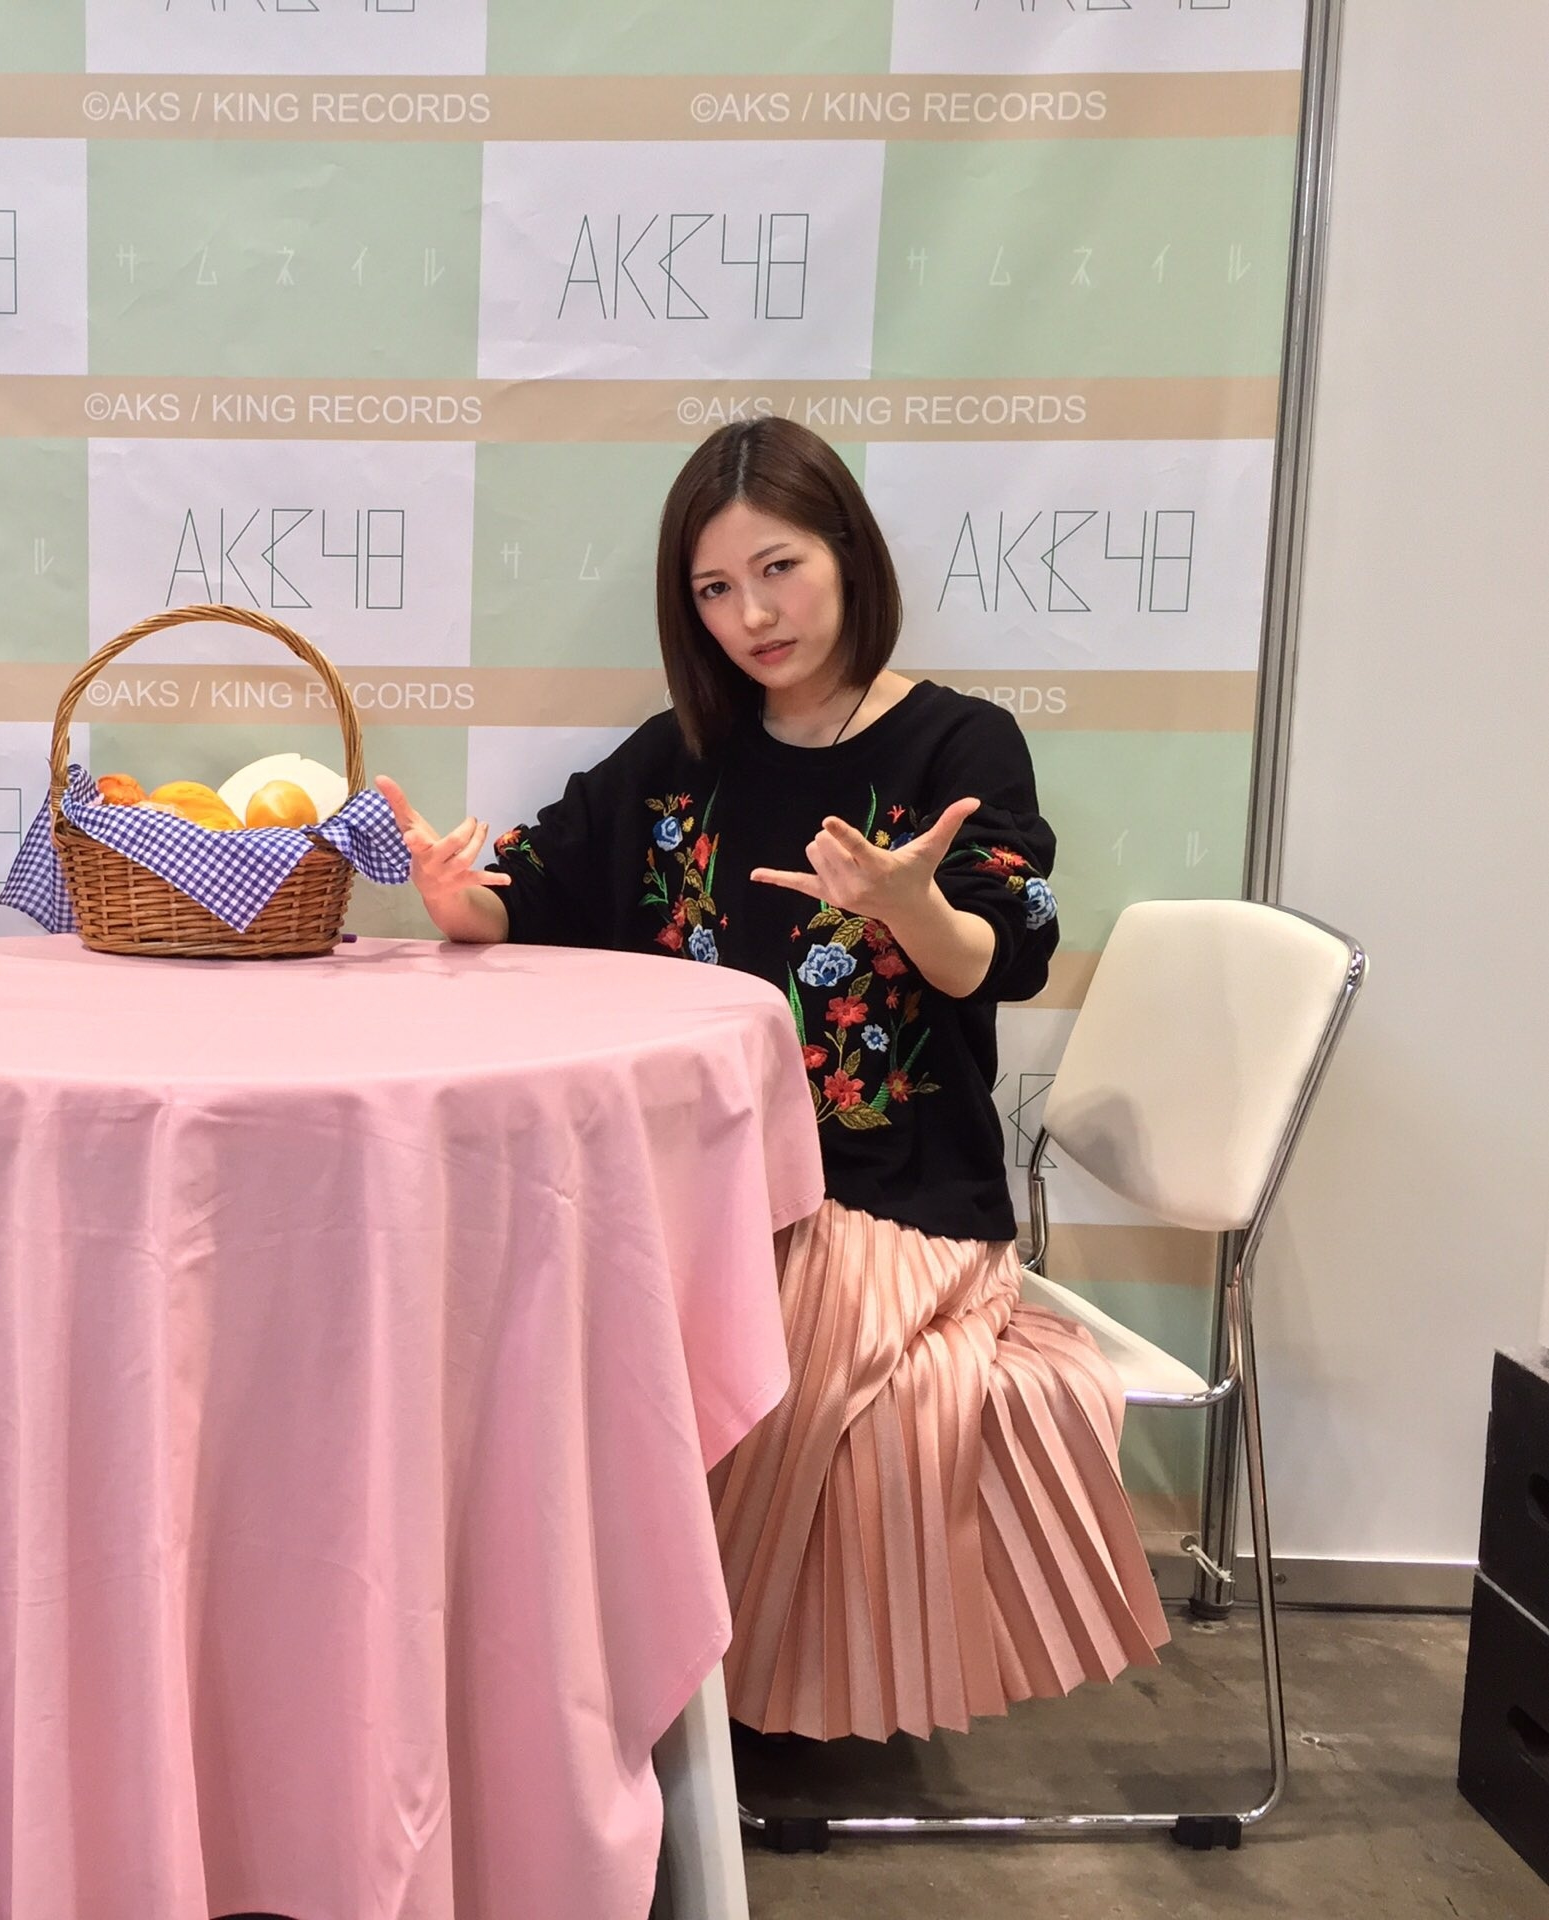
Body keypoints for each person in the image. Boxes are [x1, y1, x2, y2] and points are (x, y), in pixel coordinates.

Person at [377, 419, 1168, 1742]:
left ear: (848, 555)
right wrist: (461, 902)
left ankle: (676, 1711)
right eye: (713, 589)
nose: (751, 615)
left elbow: (999, 955)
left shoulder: (956, 747)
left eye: (778, 569)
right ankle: (550, 1689)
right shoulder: (678, 757)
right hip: (694, 1191)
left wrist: (908, 902)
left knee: (717, 1340)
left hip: (887, 1201)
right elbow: (535, 895)